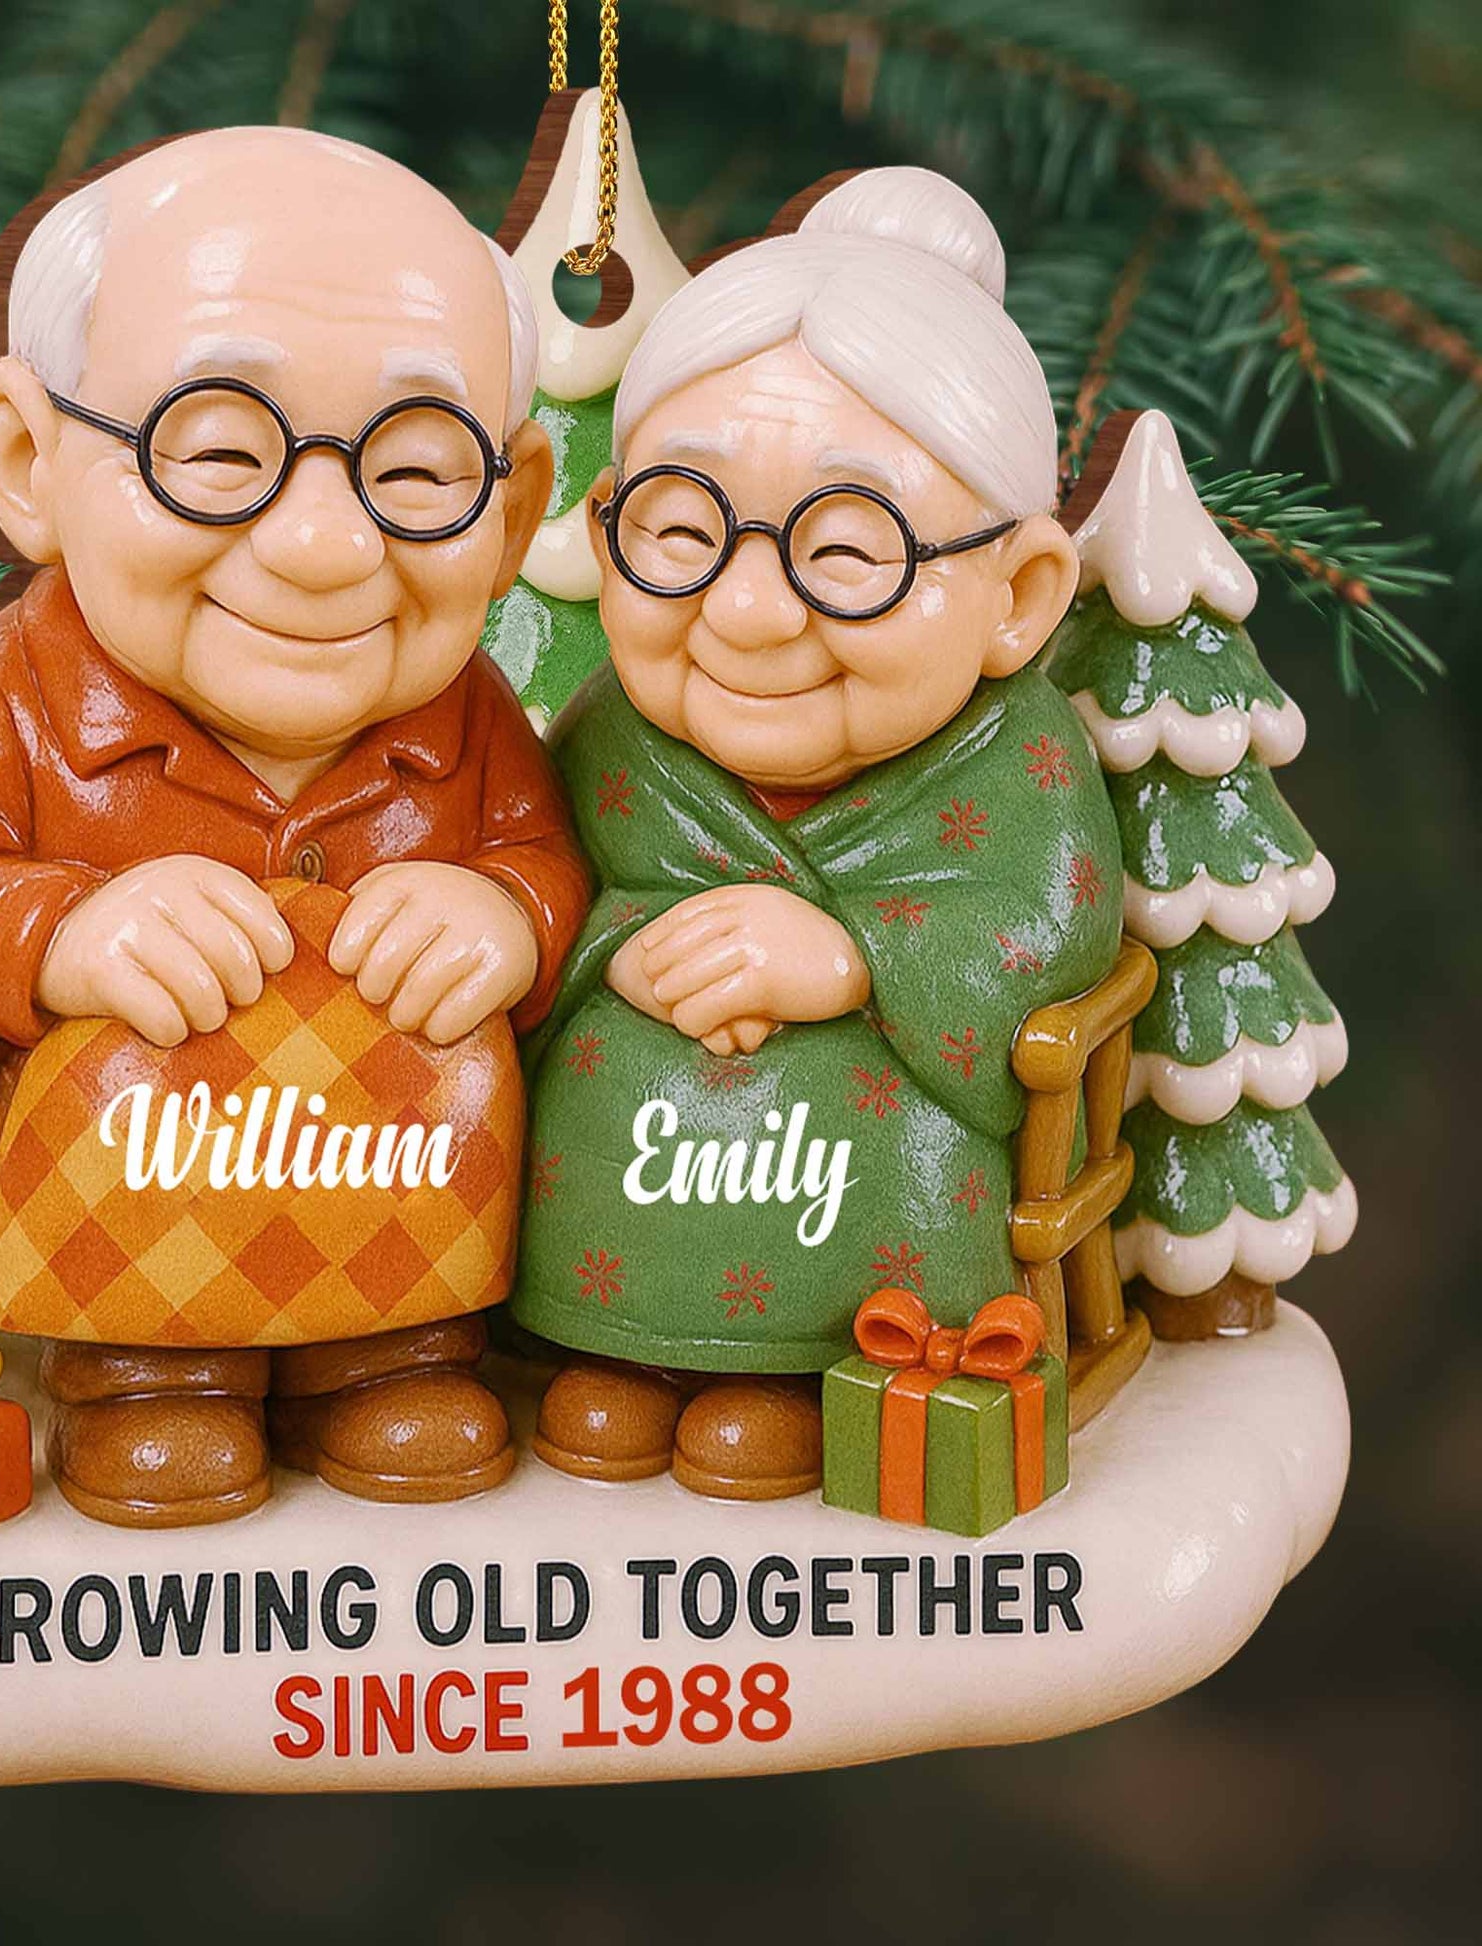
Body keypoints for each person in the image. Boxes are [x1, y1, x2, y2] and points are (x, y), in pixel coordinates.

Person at [0, 128, 590, 1525]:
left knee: (406, 1336)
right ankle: (152, 1379)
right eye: (217, 451)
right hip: (123, 1210)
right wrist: (64, 927)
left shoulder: (472, 710)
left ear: (514, 514)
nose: (323, 544)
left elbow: (541, 864)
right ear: (28, 459)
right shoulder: (9, 694)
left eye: (421, 471)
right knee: (146, 1336)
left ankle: (383, 1356)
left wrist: (507, 914)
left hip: (397, 1201)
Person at [510, 167, 1122, 1500]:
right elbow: (533, 884)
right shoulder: (612, 729)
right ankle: (622, 1346)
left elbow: (1045, 928)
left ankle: (798, 1367)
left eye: (845, 555)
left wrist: (850, 957)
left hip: (883, 1221)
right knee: (598, 1388)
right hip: (609, 1211)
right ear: (607, 530)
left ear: (1015, 595)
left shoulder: (1014, 757)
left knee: (826, 1341)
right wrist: (617, 943)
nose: (745, 611)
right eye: (677, 531)